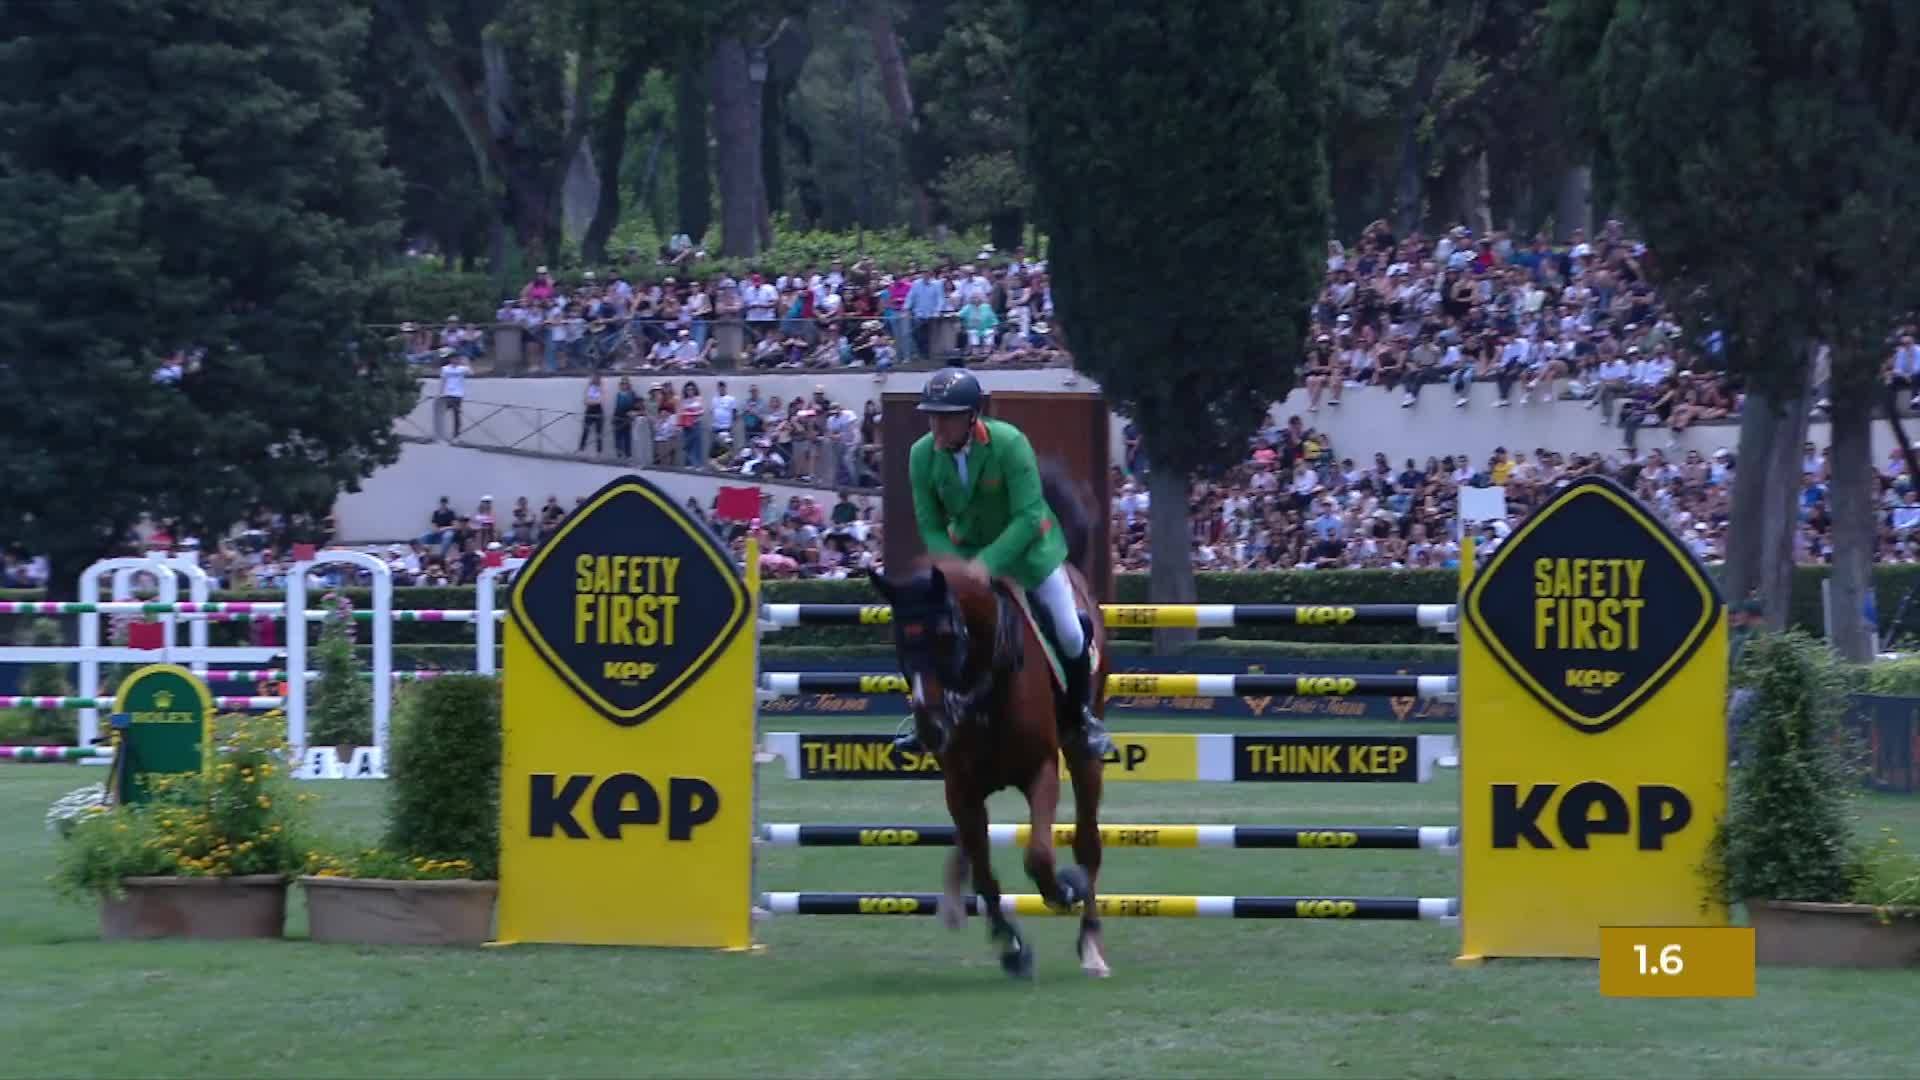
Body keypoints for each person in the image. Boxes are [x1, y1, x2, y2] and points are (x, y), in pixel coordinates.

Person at [892, 367, 1114, 758]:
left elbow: (1029, 517)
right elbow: (930, 525)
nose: (936, 426)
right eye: (932, 416)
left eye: (946, 417)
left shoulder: (1010, 443)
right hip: (965, 558)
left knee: (1069, 630)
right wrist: (957, 568)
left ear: (972, 416)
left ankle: (1082, 719)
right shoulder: (921, 454)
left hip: (1029, 555)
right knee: (928, 628)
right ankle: (926, 718)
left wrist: (988, 564)